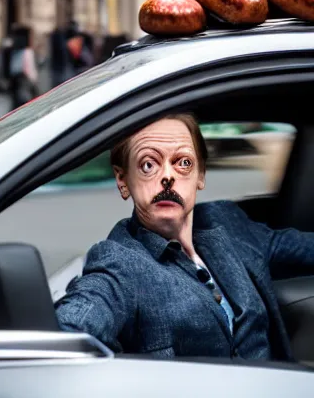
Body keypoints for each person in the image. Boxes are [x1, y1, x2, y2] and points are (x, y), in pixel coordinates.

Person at [55, 113, 314, 361]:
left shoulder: (225, 221)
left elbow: (302, 248)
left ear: (200, 175)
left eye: (184, 163)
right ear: (123, 180)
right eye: (148, 164)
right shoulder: (119, 263)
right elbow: (72, 325)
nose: (168, 177)